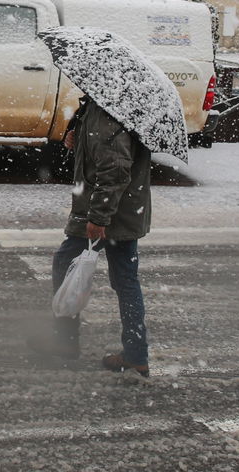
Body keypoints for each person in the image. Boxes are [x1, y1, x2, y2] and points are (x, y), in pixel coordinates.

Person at [35, 96, 153, 376]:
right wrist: (80, 144)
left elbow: (115, 168)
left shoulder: (107, 111)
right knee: (126, 280)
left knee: (66, 263)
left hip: (107, 212)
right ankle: (136, 353)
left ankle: (65, 341)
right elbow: (112, 155)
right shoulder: (115, 107)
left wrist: (99, 217)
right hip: (123, 209)